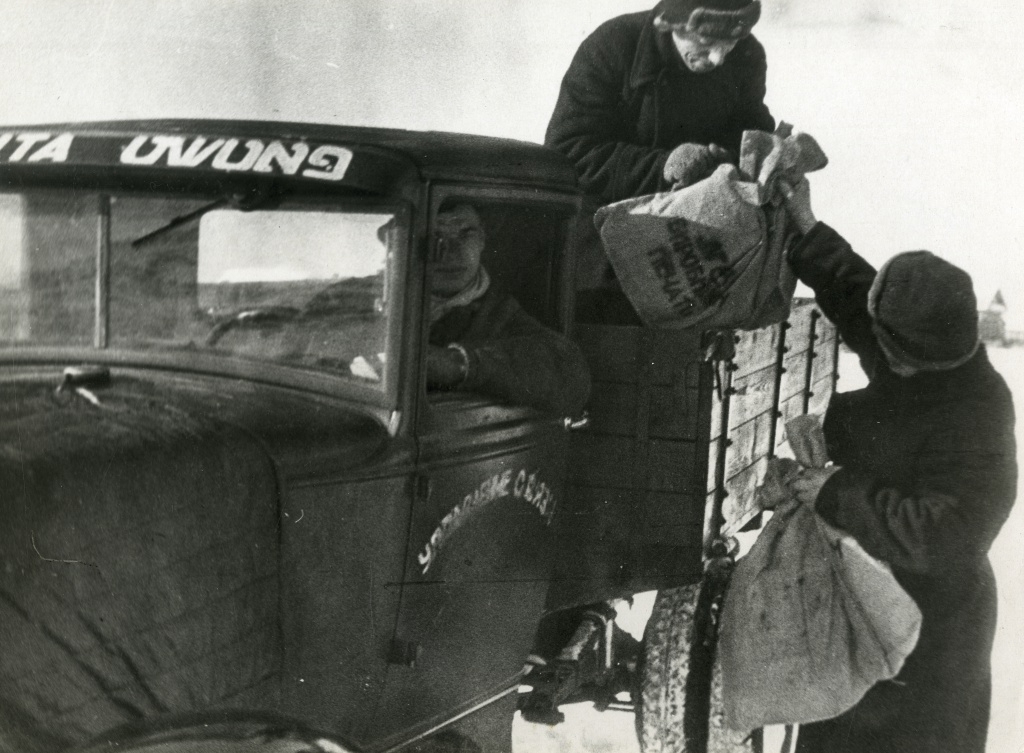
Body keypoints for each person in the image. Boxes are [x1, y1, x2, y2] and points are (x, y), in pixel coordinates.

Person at [778, 178, 1017, 753]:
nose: (883, 360)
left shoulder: (981, 414)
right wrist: (805, 227)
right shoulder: (916, 342)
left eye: (895, 357)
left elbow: (948, 534)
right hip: (863, 605)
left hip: (934, 637)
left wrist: (836, 494)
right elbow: (851, 287)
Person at [545, 0, 775, 315]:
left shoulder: (747, 56)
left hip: (696, 236)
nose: (719, 58)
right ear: (671, 24)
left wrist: (758, 155)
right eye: (706, 43)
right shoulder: (613, 46)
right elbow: (569, 151)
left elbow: (750, 126)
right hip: (607, 237)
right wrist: (663, 166)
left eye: (730, 44)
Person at [425, 202, 591, 416]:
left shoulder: (499, 313)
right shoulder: (381, 297)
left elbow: (571, 376)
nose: (453, 252)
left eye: (466, 234)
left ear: (482, 239)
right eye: (436, 237)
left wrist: (461, 364)